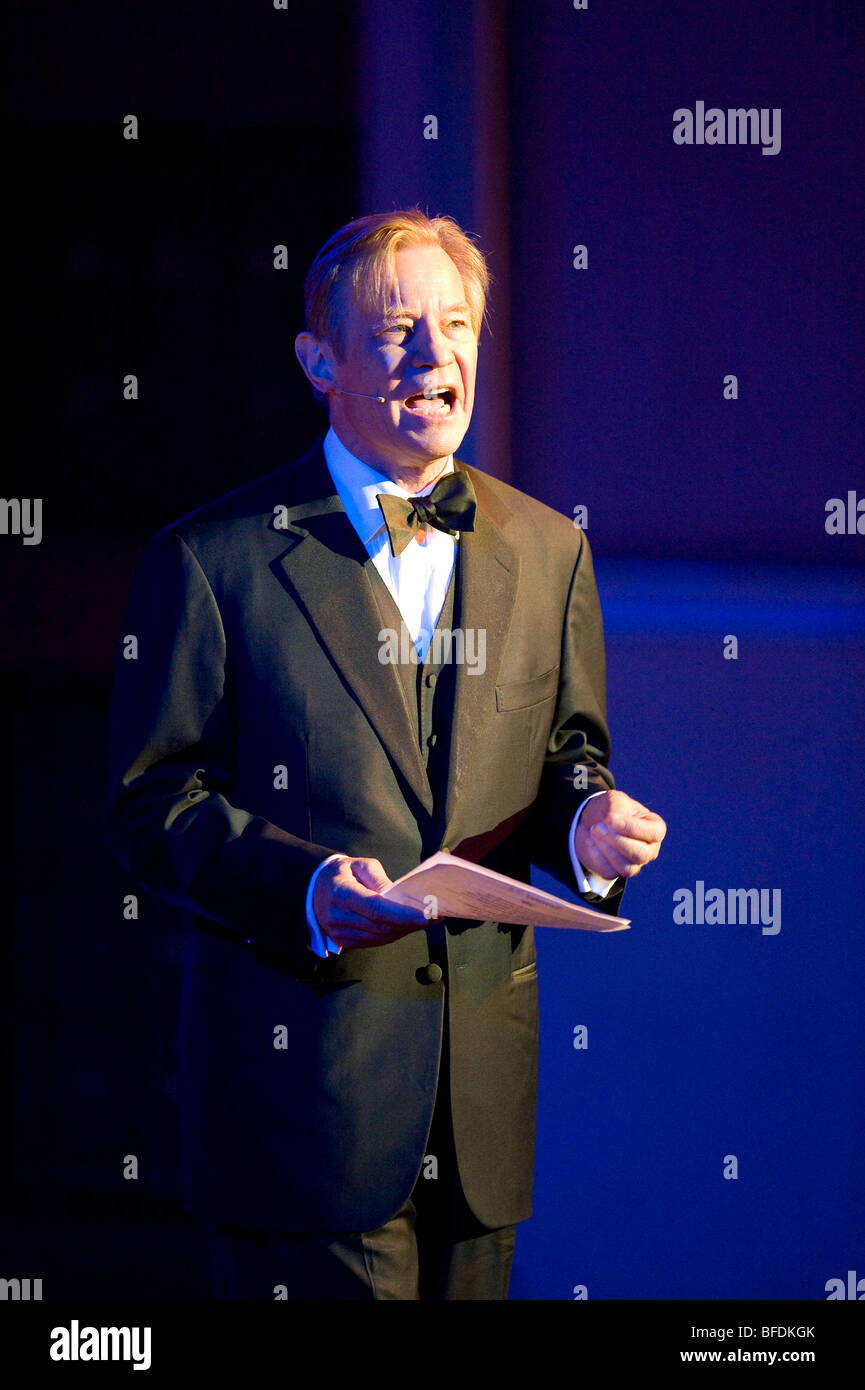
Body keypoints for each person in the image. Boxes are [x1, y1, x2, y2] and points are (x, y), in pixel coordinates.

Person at [106, 209, 666, 1301]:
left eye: (454, 324)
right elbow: (151, 804)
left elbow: (567, 758)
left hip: (481, 1109)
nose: (434, 352)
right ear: (322, 360)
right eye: (399, 326)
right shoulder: (210, 560)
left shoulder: (550, 549)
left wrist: (590, 826)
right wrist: (308, 888)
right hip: (298, 1102)